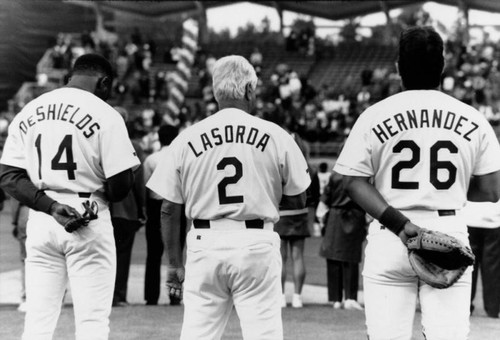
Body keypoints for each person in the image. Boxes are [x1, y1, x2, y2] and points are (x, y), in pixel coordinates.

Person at [333, 26, 500, 340]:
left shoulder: (374, 114)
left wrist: (399, 224)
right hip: (447, 233)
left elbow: (352, 182)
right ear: (442, 66)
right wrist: (452, 189)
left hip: (390, 232)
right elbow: (493, 190)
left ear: (398, 68)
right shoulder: (471, 117)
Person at [146, 55, 311, 340]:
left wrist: (174, 263)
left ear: (214, 90)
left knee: (197, 334)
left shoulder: (186, 137)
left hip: (204, 240)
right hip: (256, 240)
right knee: (264, 334)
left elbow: (169, 209)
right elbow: (298, 200)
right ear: (249, 90)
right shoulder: (276, 134)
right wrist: (262, 194)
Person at [0, 53, 140, 340]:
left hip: (43, 214)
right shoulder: (106, 113)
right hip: (87, 211)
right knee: (92, 322)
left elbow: (9, 177)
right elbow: (120, 187)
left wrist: (50, 207)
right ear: (103, 82)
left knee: (38, 322)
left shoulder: (30, 109)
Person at [110, 107, 147, 307]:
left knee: (102, 255)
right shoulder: (134, 146)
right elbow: (138, 182)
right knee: (123, 254)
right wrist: (142, 208)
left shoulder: (97, 142)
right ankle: (118, 294)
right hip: (126, 208)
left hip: (102, 207)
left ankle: (104, 294)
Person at [317, 171, 366, 310]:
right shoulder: (361, 176)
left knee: (333, 257)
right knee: (351, 259)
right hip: (356, 216)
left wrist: (321, 220)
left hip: (335, 215)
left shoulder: (335, 176)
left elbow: (325, 199)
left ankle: (335, 298)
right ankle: (350, 297)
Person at [142, 124, 180, 306]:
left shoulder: (151, 159)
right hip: (176, 204)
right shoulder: (180, 157)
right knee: (175, 253)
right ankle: (175, 295)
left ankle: (151, 296)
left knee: (153, 254)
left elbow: (147, 186)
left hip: (155, 204)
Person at [462, 199, 500, 318]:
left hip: (469, 217)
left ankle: (465, 305)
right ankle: (493, 308)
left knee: (468, 265)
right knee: (492, 268)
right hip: (494, 220)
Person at [11, 199, 29, 312]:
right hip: (54, 206)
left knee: (27, 259)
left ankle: (27, 297)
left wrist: (14, 220)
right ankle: (58, 295)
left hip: (27, 209)